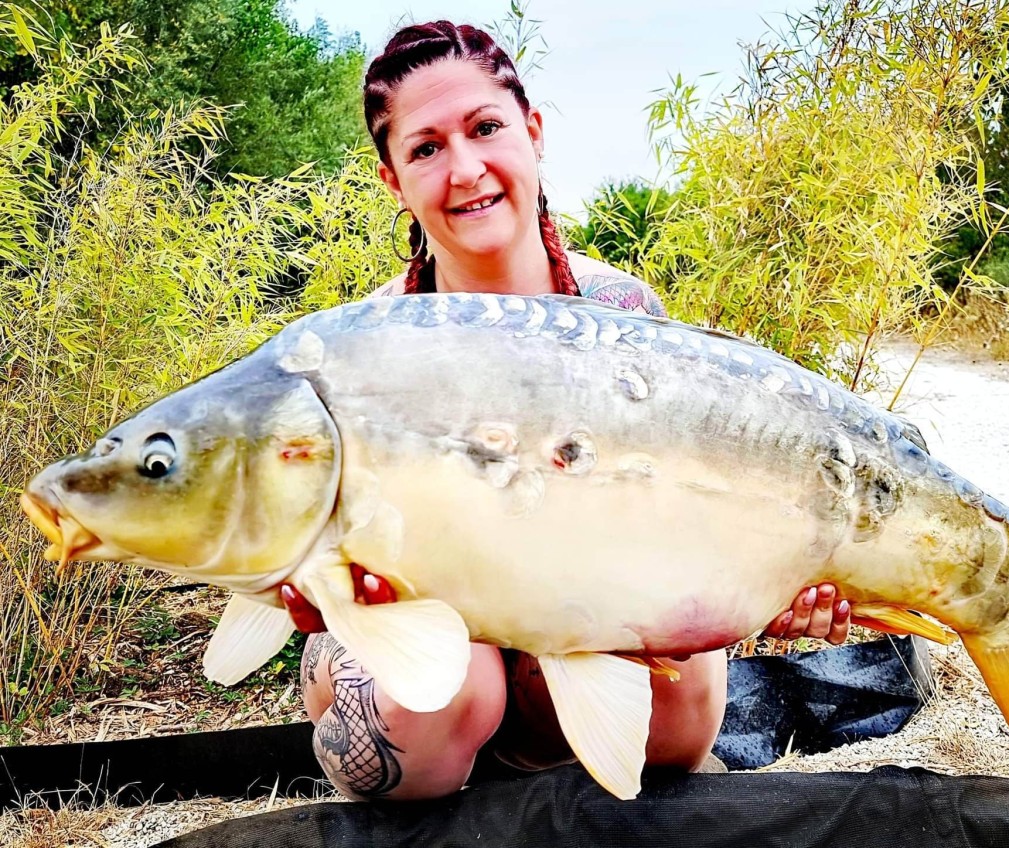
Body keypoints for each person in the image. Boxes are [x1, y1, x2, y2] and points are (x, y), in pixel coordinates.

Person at [283, 20, 854, 802]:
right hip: (437, 636)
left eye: (485, 128)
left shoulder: (623, 312)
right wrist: (324, 593)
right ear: (395, 180)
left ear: (534, 132)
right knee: (435, 705)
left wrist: (783, 574)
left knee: (684, 716)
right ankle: (448, 764)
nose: (466, 169)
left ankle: (533, 771)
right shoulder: (364, 347)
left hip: (582, 620)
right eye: (425, 148)